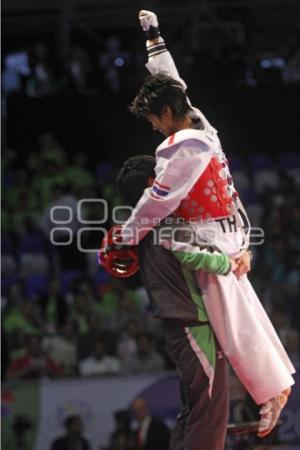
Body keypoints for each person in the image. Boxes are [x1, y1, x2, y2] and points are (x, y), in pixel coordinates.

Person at [121, 10, 295, 437]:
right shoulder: (201, 124)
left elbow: (155, 205)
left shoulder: (177, 150)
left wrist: (123, 235)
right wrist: (153, 38)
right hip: (233, 228)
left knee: (233, 327)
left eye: (153, 120)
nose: (155, 128)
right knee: (248, 315)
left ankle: (271, 394)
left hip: (212, 237)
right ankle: (276, 391)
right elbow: (174, 83)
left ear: (164, 113)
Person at [117, 155, 239, 450]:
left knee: (193, 410)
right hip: (191, 323)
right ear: (152, 185)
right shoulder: (163, 219)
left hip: (181, 326)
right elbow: (190, 255)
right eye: (161, 177)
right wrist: (230, 263)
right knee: (209, 411)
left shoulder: (142, 224)